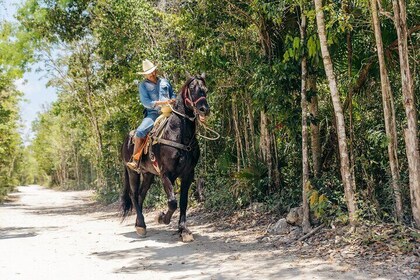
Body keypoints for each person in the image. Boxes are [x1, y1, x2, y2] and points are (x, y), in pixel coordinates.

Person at [127, 59, 176, 170]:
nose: (152, 74)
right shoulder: (143, 86)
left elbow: (173, 93)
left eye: (153, 71)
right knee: (140, 132)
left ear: (156, 71)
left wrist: (172, 99)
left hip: (171, 110)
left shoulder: (165, 82)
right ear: (145, 74)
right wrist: (162, 103)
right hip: (153, 113)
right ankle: (136, 160)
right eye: (149, 73)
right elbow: (146, 103)